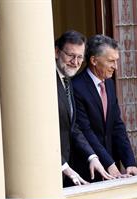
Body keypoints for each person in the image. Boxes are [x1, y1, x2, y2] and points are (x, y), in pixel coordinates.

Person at [72, 34, 137, 181]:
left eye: (116, 61)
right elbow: (86, 131)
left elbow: (117, 125)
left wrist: (130, 162)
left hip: (111, 169)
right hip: (88, 170)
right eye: (111, 61)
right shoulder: (77, 87)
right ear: (94, 60)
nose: (115, 66)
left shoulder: (109, 84)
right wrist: (109, 163)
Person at [55, 31, 113, 187]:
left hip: (66, 172)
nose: (75, 62)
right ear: (56, 52)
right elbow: (39, 131)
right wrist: (63, 166)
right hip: (50, 171)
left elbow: (73, 128)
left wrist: (92, 157)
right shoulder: (47, 80)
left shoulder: (68, 80)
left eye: (80, 57)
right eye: (70, 55)